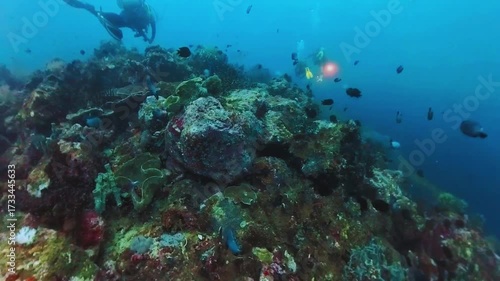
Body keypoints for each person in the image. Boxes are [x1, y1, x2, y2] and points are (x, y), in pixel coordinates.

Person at [63, 0, 156, 43]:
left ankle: (90, 8)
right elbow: (153, 27)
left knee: (114, 19)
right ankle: (94, 11)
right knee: (121, 21)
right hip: (127, 20)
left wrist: (147, 37)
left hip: (125, 17)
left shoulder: (146, 13)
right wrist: (151, 39)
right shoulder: (149, 15)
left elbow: (145, 28)